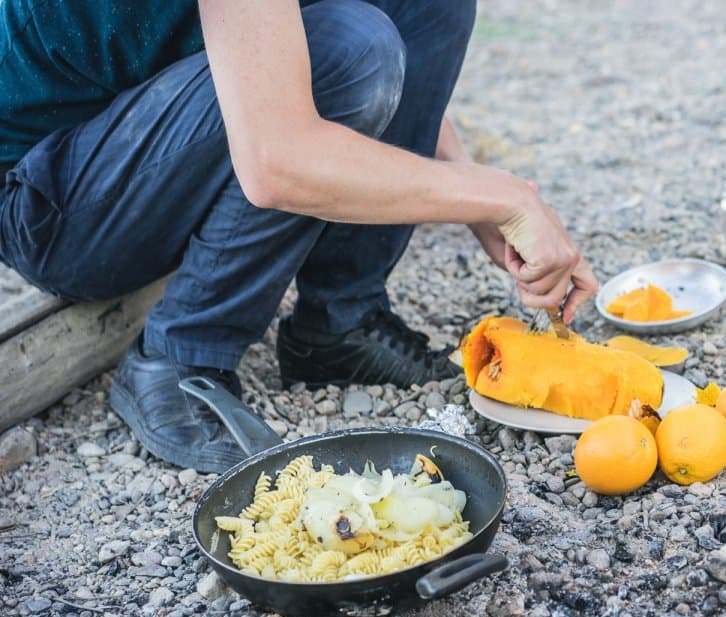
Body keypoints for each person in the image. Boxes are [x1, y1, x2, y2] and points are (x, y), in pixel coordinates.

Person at [0, 0, 597, 473]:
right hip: (51, 200)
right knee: (348, 48)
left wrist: (477, 198)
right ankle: (180, 351)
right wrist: (503, 196)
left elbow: (397, 43)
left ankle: (340, 322)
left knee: (427, 4)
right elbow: (278, 159)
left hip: (160, 117)